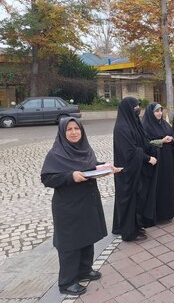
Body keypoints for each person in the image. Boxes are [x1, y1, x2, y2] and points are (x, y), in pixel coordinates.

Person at [41, 117, 119, 296]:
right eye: (69, 129)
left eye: (77, 128)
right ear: (62, 132)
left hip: (88, 200)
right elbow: (47, 178)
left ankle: (85, 270)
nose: (74, 132)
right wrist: (70, 176)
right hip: (68, 205)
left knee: (87, 235)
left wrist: (103, 167)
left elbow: (88, 167)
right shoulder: (56, 154)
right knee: (70, 243)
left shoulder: (84, 149)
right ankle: (67, 282)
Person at [112, 97, 157, 241]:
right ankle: (129, 231)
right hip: (127, 170)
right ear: (127, 109)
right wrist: (147, 158)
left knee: (138, 199)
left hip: (137, 169)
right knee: (129, 199)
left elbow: (143, 141)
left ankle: (136, 226)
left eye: (138, 106)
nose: (138, 109)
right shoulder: (121, 128)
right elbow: (130, 151)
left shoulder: (135, 123)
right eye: (135, 106)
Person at [142, 102, 174, 222]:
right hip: (156, 161)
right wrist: (161, 141)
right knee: (159, 185)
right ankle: (158, 214)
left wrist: (172, 138)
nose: (160, 113)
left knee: (168, 183)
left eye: (161, 111)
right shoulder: (146, 125)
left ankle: (168, 212)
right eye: (157, 111)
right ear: (151, 113)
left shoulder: (164, 124)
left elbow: (173, 133)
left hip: (168, 159)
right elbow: (145, 143)